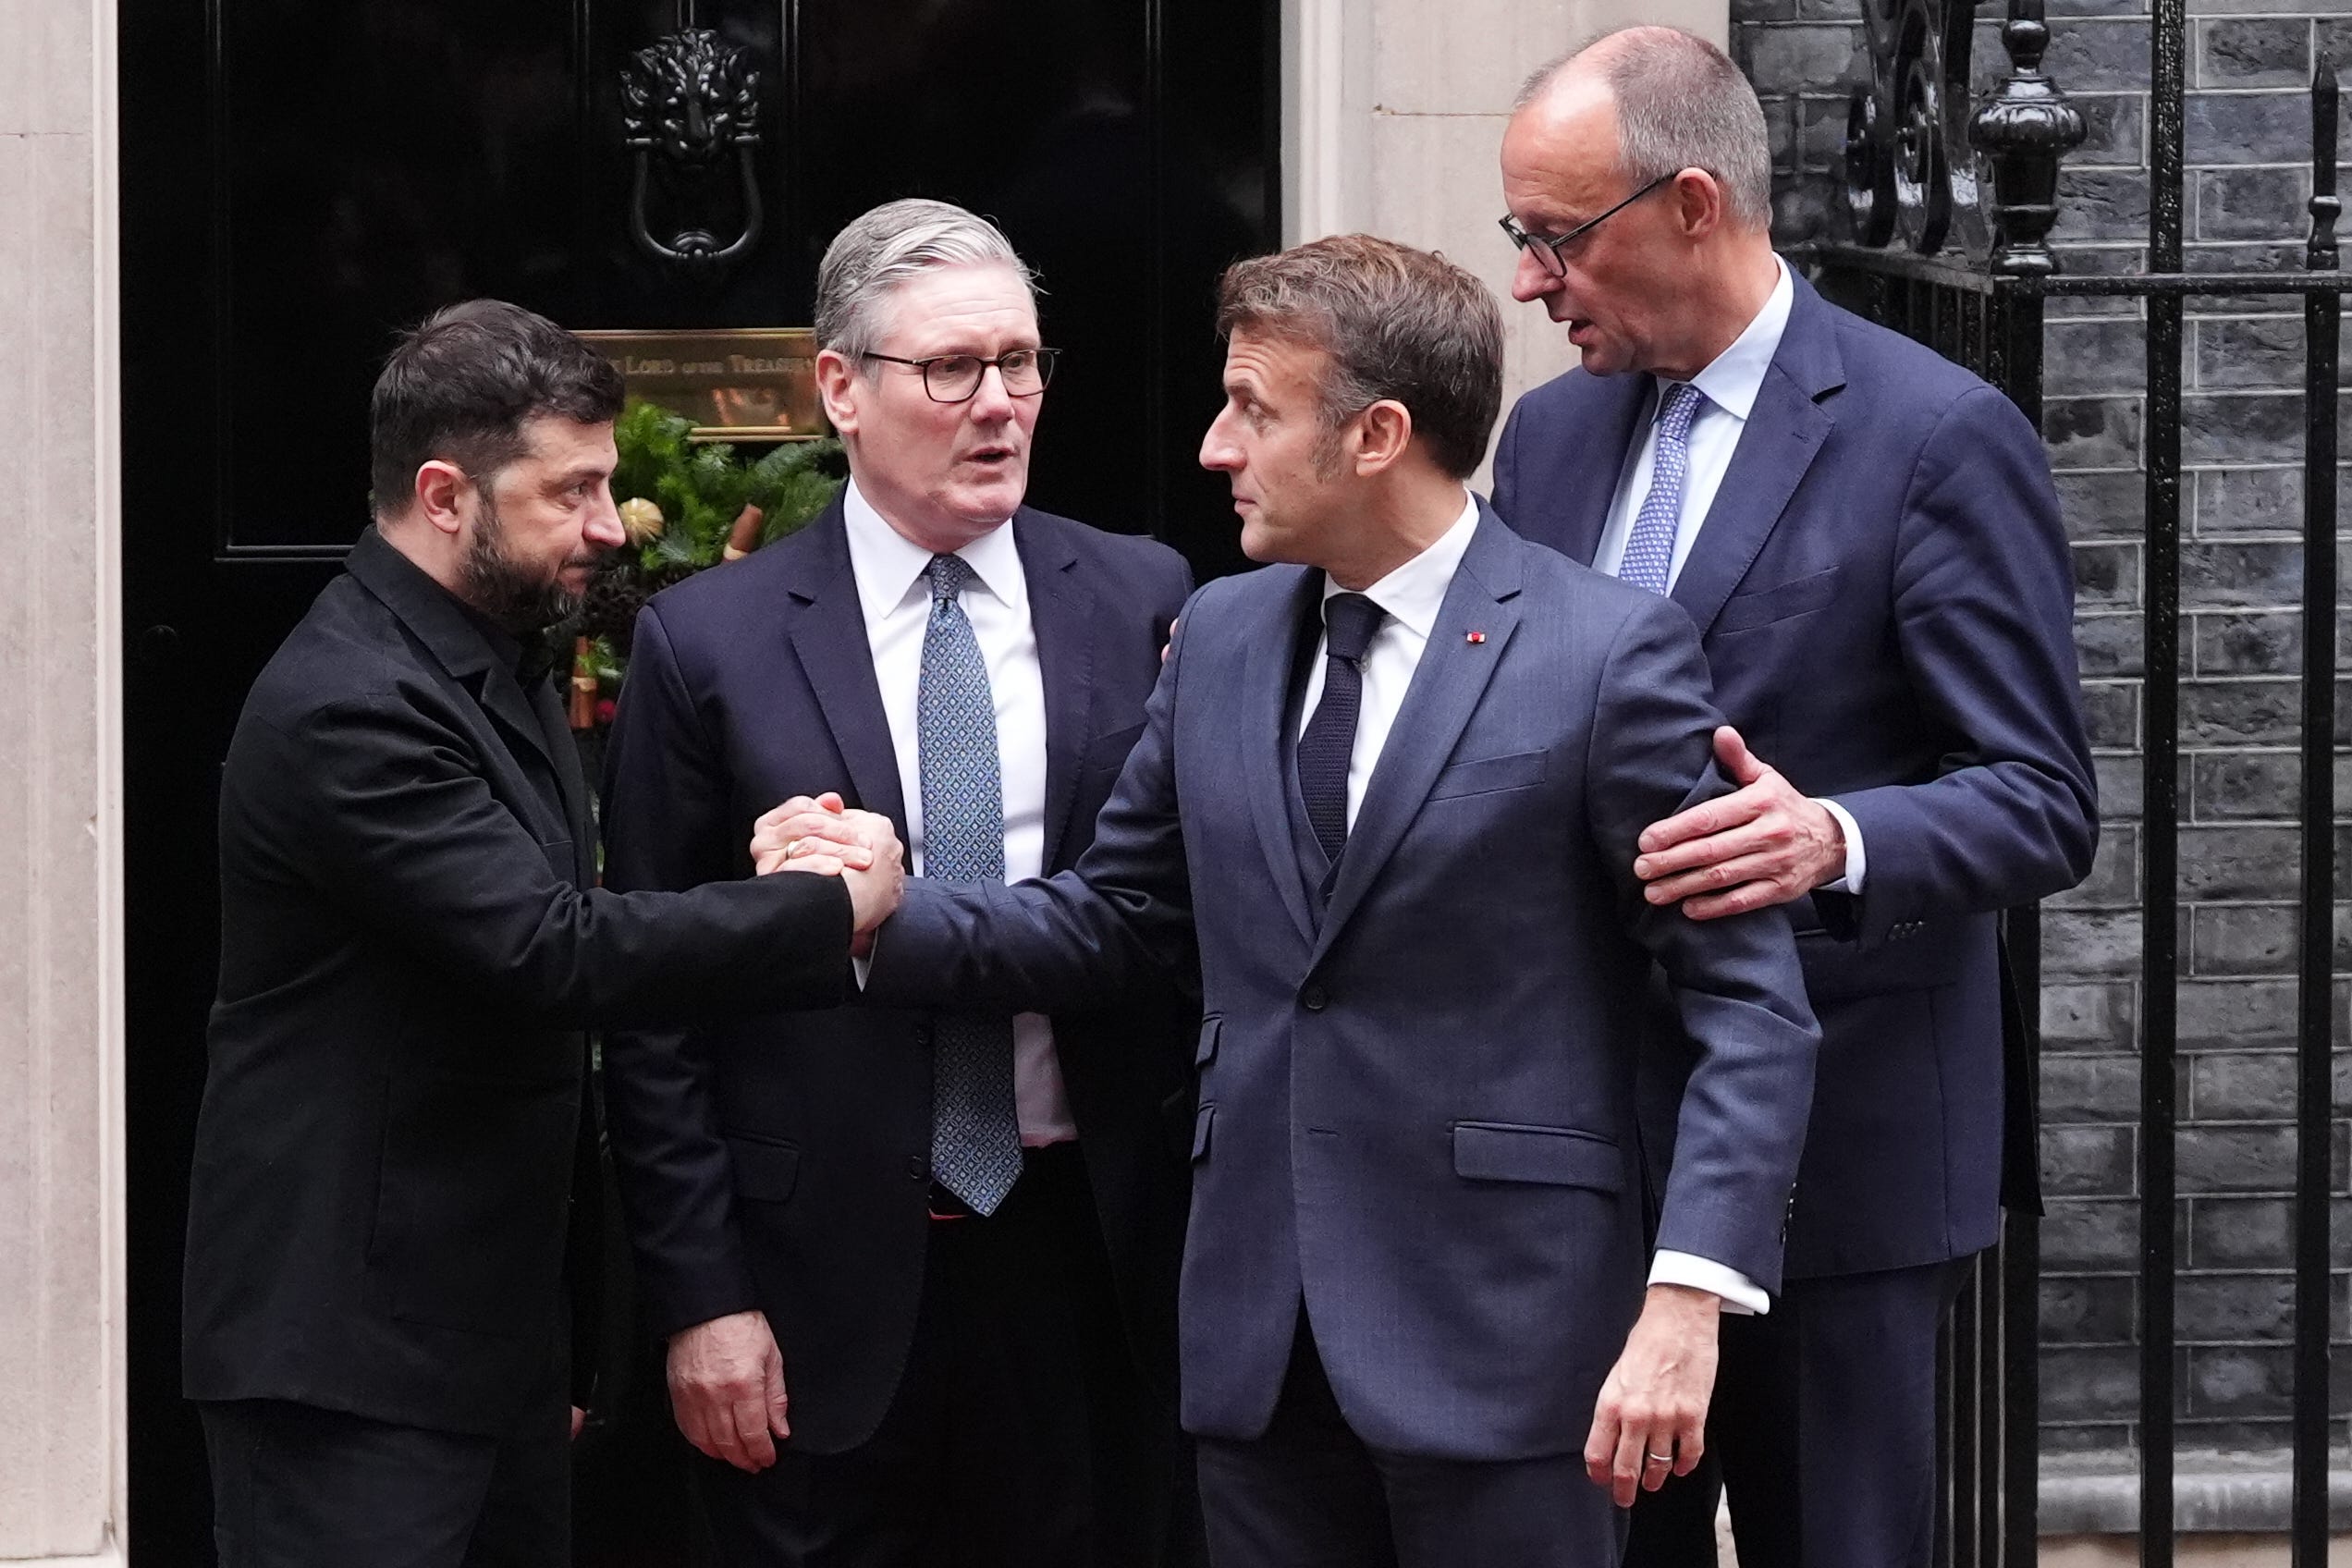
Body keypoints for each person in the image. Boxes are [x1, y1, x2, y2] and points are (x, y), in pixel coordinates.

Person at [766, 233, 1821, 1568]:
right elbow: (1117, 920)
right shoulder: (1221, 635)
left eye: (1253, 408)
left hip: (1511, 1345)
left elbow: (1750, 1013)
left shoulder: (1607, 655)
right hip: (1257, 1348)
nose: (1214, 446)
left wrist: (1690, 1302)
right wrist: (882, 911)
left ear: (1376, 434)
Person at [1488, 29, 2098, 1568]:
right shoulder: (1548, 435)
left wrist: (1836, 835)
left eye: (1557, 239)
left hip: (1851, 1153)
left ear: (1692, 203)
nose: (1530, 285)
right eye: (1522, 239)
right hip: (1589, 1142)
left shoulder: (1936, 437)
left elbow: (2041, 800)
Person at [180, 299, 902, 1568]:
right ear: (448, 495)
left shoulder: (488, 656)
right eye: (569, 492)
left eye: (607, 485)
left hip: (480, 1354)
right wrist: (824, 908)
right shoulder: (352, 701)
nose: (604, 527)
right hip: (348, 1369)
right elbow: (552, 952)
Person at [596, 199, 1199, 1567]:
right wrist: (701, 1299)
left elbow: (1164, 924)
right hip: (816, 1279)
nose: (999, 406)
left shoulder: (1146, 597)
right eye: (950, 371)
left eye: (1021, 363)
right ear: (839, 389)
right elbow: (653, 1005)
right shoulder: (711, 642)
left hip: (1087, 1257)